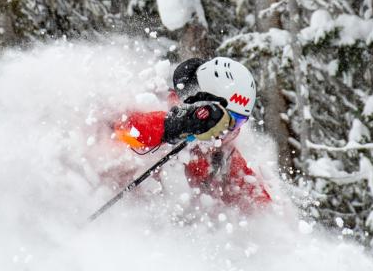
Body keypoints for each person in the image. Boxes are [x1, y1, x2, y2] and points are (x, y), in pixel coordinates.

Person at [113, 56, 271, 211]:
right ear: (203, 108)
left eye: (238, 122)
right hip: (125, 217)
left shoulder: (223, 156)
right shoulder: (154, 103)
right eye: (225, 119)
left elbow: (260, 205)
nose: (228, 130)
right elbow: (121, 131)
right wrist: (178, 125)